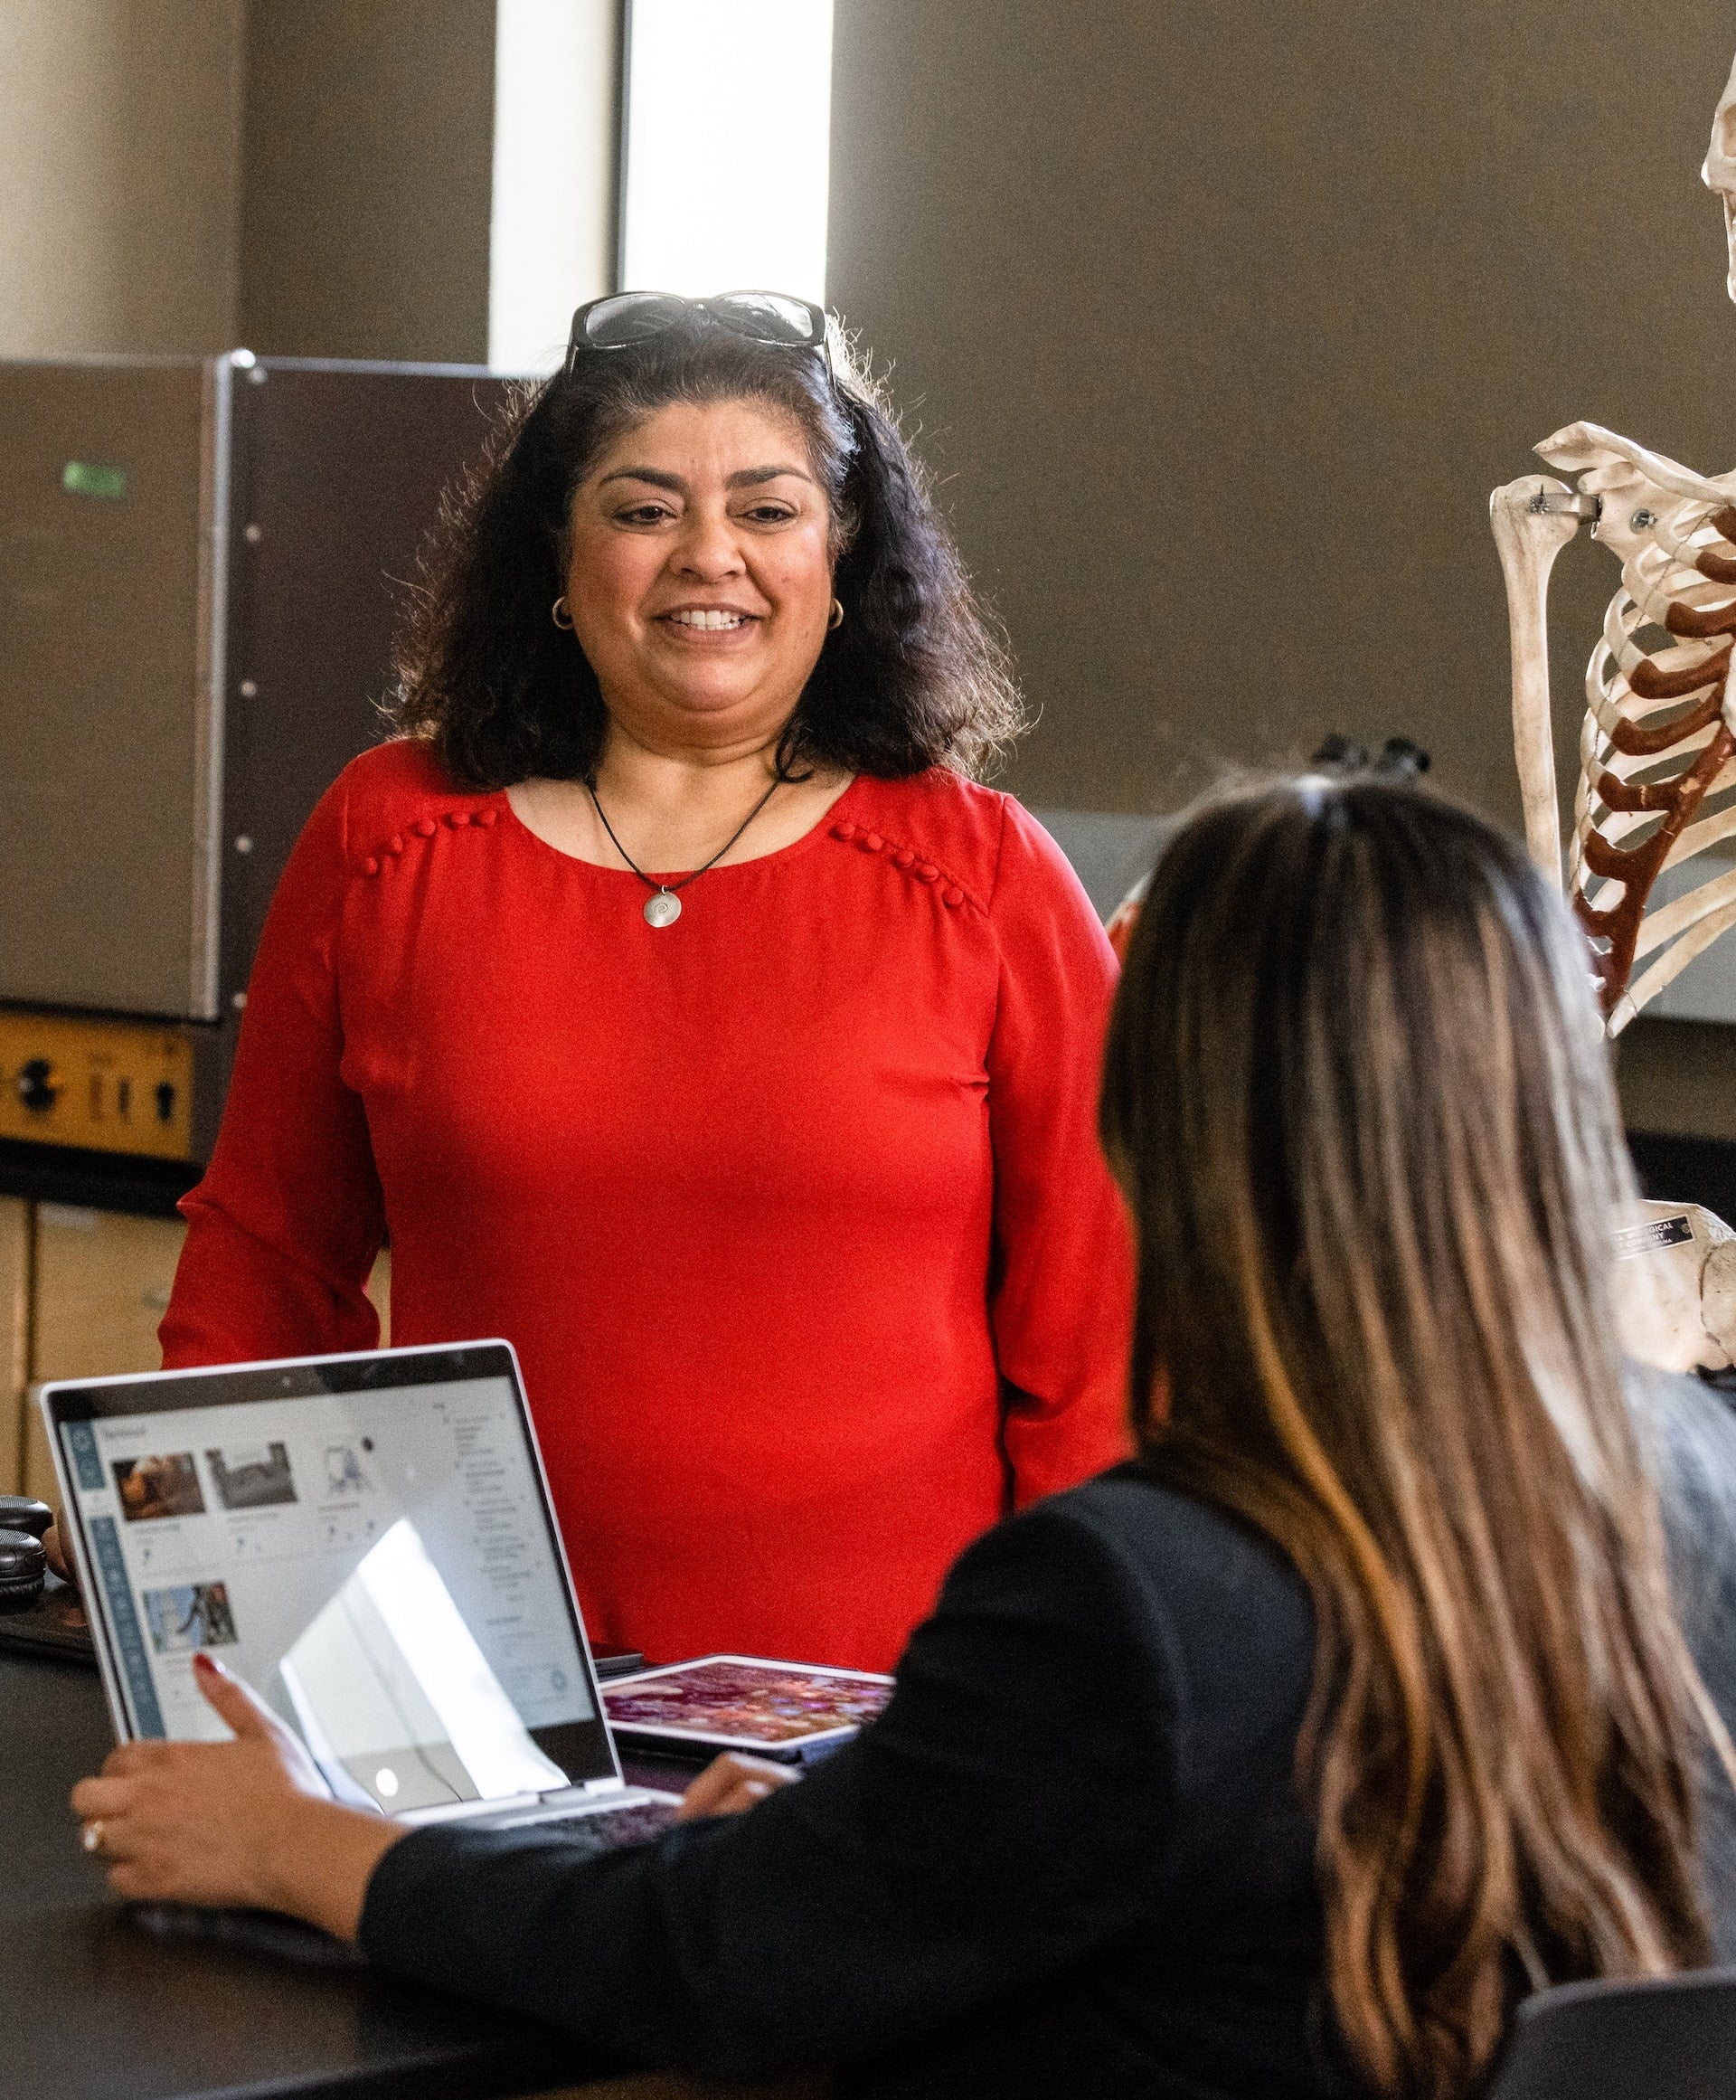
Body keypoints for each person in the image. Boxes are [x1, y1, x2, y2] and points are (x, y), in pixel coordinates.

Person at [72, 770, 1736, 2099]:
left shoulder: (1132, 1596)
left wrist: (303, 1845)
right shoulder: (1685, 1476)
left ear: (1170, 1110)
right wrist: (860, 1847)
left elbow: (710, 1968)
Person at [147, 291, 1134, 1674]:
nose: (709, 555)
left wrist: (1065, 1694)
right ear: (558, 561)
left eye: (769, 509)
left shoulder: (986, 879)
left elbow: (1098, 1352)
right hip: (474, 1699)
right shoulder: (388, 840)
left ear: (843, 561)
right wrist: (202, 1589)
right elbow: (264, 1268)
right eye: (645, 507)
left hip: (885, 1729)